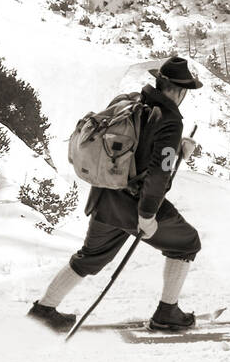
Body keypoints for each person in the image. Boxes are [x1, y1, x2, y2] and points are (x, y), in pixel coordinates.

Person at [29, 56, 202, 332]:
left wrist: (177, 147)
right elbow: (158, 174)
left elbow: (136, 148)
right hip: (136, 204)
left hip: (105, 196)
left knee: (90, 256)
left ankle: (43, 310)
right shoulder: (169, 120)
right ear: (179, 91)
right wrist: (147, 216)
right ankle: (167, 312)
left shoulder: (130, 102)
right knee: (187, 243)